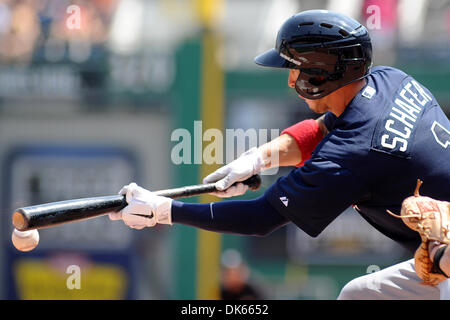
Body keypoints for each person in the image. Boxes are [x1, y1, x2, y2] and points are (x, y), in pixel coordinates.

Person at [108, 10, 450, 299]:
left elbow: (260, 218)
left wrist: (163, 211)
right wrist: (258, 158)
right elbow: (321, 131)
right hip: (442, 252)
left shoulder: (353, 152)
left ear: (321, 72)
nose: (290, 80)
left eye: (295, 68)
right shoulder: (390, 80)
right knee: (360, 295)